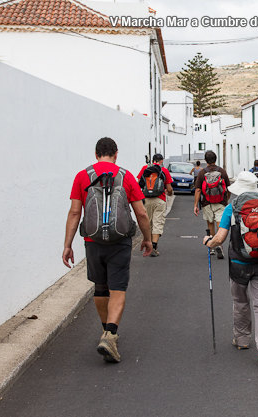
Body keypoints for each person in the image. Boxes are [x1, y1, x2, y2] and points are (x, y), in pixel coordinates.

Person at [63, 137, 152, 363]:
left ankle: (107, 331)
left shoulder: (82, 176)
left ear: (96, 154)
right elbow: (141, 213)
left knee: (100, 287)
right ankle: (110, 334)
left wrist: (67, 245)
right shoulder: (126, 176)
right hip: (119, 242)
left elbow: (75, 213)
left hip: (92, 242)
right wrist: (148, 239)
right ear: (116, 153)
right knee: (118, 288)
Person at [202, 171, 258, 364]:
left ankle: (243, 339)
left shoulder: (232, 208)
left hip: (238, 265)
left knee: (240, 302)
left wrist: (208, 242)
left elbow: (219, 238)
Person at [194, 150, 230, 259]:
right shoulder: (222, 172)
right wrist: (226, 199)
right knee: (220, 224)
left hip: (207, 203)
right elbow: (228, 188)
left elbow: (198, 190)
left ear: (206, 160)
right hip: (221, 202)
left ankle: (212, 247)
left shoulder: (202, 172)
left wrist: (196, 205)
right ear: (216, 159)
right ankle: (219, 244)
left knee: (210, 224)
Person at [137, 154, 174, 257]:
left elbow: (139, 183)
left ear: (153, 160)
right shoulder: (164, 171)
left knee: (148, 223)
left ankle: (148, 245)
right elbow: (169, 188)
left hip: (146, 200)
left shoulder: (145, 168)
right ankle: (154, 246)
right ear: (162, 161)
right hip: (160, 200)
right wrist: (170, 193)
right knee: (158, 222)